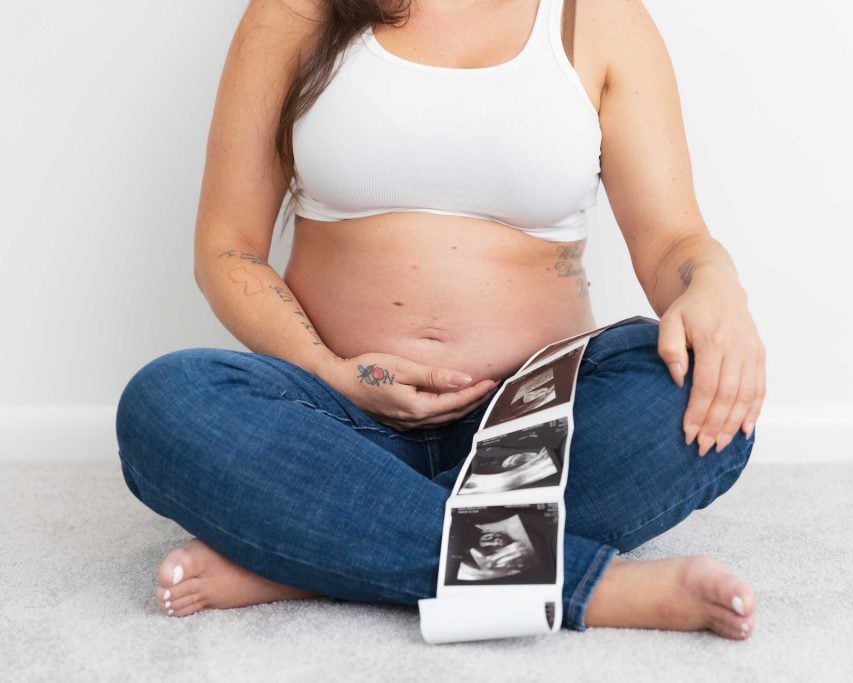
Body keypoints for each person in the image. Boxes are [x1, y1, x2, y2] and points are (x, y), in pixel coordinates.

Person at [115, 0, 766, 640]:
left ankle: (311, 558)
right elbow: (226, 246)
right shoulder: (294, 11)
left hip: (531, 431)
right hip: (338, 422)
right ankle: (592, 585)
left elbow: (675, 242)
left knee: (695, 396)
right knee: (168, 402)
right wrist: (331, 370)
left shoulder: (596, 18)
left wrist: (715, 287)